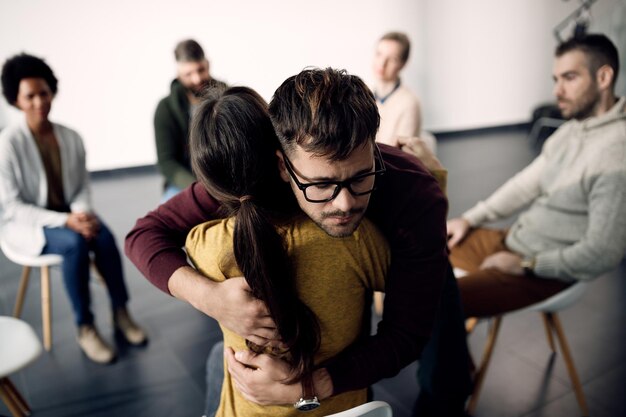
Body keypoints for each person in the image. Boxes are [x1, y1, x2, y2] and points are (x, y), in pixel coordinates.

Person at [126, 68, 467, 416]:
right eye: (321, 184)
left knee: (447, 362)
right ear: (282, 167)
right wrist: (210, 298)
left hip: (416, 231)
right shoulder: (256, 173)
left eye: (362, 176)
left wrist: (308, 386)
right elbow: (144, 234)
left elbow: (407, 333)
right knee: (218, 358)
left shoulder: (416, 195)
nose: (345, 203)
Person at [185, 85, 389, 416]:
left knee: (215, 359)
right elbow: (417, 291)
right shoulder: (356, 239)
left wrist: (207, 296)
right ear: (280, 162)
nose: (344, 201)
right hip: (349, 411)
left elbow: (154, 234)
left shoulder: (205, 246)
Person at [447, 34, 626, 318]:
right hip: (514, 240)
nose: (557, 90)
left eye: (569, 78)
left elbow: (603, 252)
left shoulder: (617, 152)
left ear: (603, 77)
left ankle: (454, 363)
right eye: (556, 79)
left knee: (433, 302)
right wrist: (469, 219)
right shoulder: (572, 130)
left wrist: (528, 265)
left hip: (541, 270)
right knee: (425, 246)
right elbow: (524, 185)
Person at [0, 53, 147, 364]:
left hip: (70, 213)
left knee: (104, 238)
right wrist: (66, 221)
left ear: (52, 92)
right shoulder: (7, 145)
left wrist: (80, 213)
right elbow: (12, 207)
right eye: (30, 96)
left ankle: (121, 311)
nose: (40, 101)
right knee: (75, 245)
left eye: (44, 92)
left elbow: (81, 185)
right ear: (16, 100)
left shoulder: (70, 137)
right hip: (30, 223)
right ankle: (85, 327)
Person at [154, 39, 227, 201]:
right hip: (186, 181)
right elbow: (167, 162)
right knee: (167, 217)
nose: (196, 79)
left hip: (226, 177)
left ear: (208, 64)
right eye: (188, 74)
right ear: (178, 74)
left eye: (200, 70)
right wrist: (199, 187)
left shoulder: (229, 96)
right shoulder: (165, 108)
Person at [372, 32, 435, 153]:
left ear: (403, 64)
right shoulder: (363, 94)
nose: (382, 63)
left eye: (392, 59)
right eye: (379, 54)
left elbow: (399, 156)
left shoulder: (410, 103)